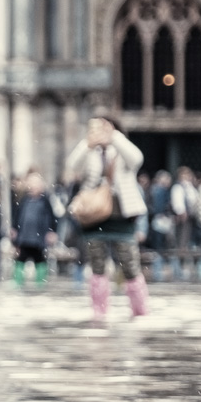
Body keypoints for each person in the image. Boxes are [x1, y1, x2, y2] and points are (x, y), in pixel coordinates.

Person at [63, 113, 148, 323]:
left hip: (122, 212)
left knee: (129, 262)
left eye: (105, 127)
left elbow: (137, 159)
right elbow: (73, 165)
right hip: (95, 214)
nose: (101, 131)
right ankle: (99, 311)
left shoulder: (121, 150)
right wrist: (88, 143)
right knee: (97, 263)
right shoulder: (90, 151)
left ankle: (140, 310)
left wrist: (115, 138)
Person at [10, 169, 55, 287]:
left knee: (39, 259)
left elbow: (52, 217)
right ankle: (17, 282)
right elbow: (17, 216)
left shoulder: (45, 201)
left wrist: (52, 231)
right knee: (20, 259)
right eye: (31, 184)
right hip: (24, 236)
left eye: (36, 184)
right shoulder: (24, 200)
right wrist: (14, 229)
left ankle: (41, 283)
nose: (33, 187)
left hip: (39, 237)